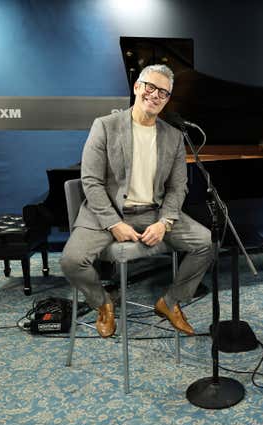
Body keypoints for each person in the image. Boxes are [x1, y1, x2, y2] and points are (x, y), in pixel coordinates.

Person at [60, 64, 213, 338]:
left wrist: (165, 223)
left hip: (152, 212)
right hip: (105, 212)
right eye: (150, 87)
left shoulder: (174, 136)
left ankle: (169, 302)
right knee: (72, 260)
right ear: (137, 87)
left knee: (204, 242)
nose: (155, 95)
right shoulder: (105, 126)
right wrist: (113, 224)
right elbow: (91, 181)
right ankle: (103, 303)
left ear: (167, 99)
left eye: (163, 93)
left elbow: (178, 187)